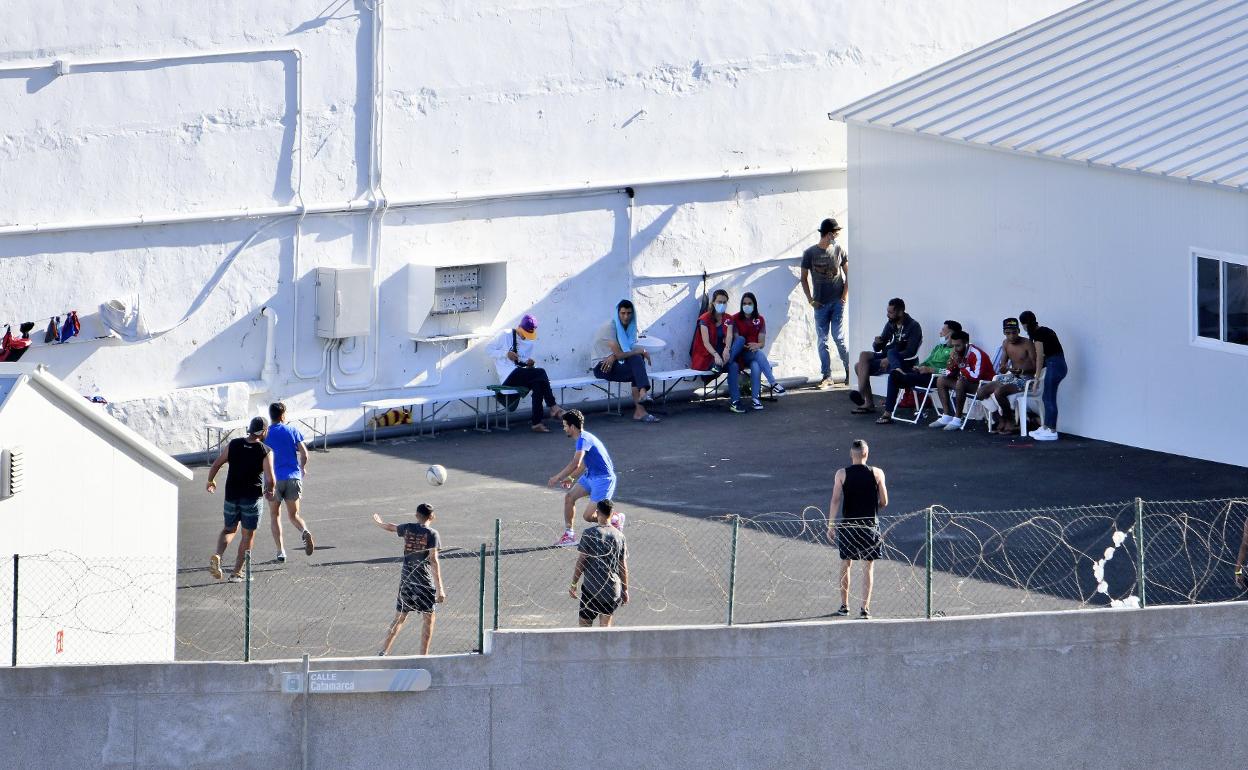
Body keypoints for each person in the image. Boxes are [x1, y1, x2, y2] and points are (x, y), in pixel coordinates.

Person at [206, 416, 276, 583]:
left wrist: (210, 481)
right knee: (247, 535)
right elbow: (270, 478)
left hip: (231, 496)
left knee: (229, 529)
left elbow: (216, 464)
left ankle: (218, 555)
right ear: (264, 431)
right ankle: (237, 572)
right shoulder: (265, 450)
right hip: (251, 498)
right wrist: (270, 491)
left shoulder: (234, 444)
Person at [372, 504, 445, 656]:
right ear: (432, 517)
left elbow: (392, 527)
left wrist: (379, 523)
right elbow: (433, 560)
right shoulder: (432, 534)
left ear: (416, 515)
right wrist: (440, 589)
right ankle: (423, 655)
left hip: (406, 581)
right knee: (428, 619)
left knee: (399, 618)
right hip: (424, 583)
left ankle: (384, 651)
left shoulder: (408, 528)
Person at [826, 440, 888, 619]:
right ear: (866, 454)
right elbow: (884, 501)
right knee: (868, 567)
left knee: (846, 564)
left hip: (849, 526)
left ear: (851, 454)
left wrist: (831, 525)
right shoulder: (877, 473)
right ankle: (864, 608)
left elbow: (835, 499)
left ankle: (844, 606)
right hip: (870, 525)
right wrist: (873, 507)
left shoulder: (841, 474)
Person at [547, 410, 617, 547]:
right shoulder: (582, 439)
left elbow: (576, 463)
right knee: (569, 497)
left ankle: (614, 518)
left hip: (603, 480)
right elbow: (584, 463)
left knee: (588, 517)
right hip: (590, 476)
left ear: (572, 427)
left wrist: (557, 477)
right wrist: (571, 478)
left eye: (565, 425)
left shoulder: (583, 439)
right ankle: (569, 535)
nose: (564, 428)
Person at [487, 313, 565, 433]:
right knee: (541, 373)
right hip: (508, 376)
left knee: (538, 385)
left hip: (520, 374)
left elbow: (522, 361)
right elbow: (488, 349)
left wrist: (529, 364)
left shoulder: (529, 343)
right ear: (519, 327)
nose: (526, 337)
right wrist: (505, 353)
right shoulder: (505, 335)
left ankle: (536, 423)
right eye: (525, 333)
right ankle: (553, 406)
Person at [877, 320, 960, 424]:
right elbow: (928, 361)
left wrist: (930, 370)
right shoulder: (939, 347)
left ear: (951, 334)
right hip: (920, 372)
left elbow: (950, 371)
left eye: (943, 330)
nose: (940, 333)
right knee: (892, 352)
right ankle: (898, 369)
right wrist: (918, 367)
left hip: (932, 378)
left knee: (893, 376)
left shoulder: (955, 351)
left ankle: (887, 414)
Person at [591, 300, 659, 423]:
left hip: (614, 362)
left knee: (637, 365)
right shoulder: (610, 327)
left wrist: (615, 356)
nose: (626, 317)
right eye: (623, 313)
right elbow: (622, 354)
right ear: (617, 313)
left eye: (629, 313)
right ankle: (641, 404)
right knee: (637, 363)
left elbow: (622, 352)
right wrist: (639, 351)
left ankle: (641, 406)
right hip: (602, 366)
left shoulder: (629, 327)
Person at [850, 298, 922, 414]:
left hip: (902, 362)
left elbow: (911, 352)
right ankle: (863, 396)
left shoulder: (913, 326)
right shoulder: (890, 324)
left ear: (900, 312)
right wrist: (877, 343)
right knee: (863, 356)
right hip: (886, 356)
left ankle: (865, 400)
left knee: (860, 367)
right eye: (887, 312)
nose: (887, 315)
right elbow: (878, 348)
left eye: (891, 312)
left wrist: (890, 358)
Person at [800, 218, 849, 388]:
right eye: (835, 232)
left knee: (838, 337)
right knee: (823, 340)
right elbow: (803, 278)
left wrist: (844, 297)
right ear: (828, 234)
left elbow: (849, 273)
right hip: (820, 304)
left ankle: (850, 371)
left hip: (836, 303)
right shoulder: (810, 253)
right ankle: (826, 376)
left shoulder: (839, 250)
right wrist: (810, 300)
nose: (836, 235)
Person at [263, 402, 315, 562]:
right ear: (283, 415)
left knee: (274, 515)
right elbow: (305, 454)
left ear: (270, 415)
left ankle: (281, 552)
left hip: (274, 480)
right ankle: (304, 531)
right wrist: (302, 468)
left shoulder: (266, 434)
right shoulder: (292, 430)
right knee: (294, 515)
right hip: (293, 477)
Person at [569, 499, 630, 627]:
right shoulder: (620, 536)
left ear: (597, 512)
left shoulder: (590, 534)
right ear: (612, 514)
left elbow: (582, 561)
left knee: (584, 624)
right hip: (612, 589)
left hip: (592, 587)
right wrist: (625, 590)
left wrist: (574, 583)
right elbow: (622, 566)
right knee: (605, 627)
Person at [976, 319, 1037, 434]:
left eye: (1014, 332)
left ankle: (1010, 420)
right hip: (1012, 377)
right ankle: (1000, 418)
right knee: (981, 392)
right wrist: (1003, 367)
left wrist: (1022, 370)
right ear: (1004, 333)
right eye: (1008, 333)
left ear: (1019, 331)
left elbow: (1037, 366)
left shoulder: (1027, 343)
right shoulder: (1005, 343)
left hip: (1027, 379)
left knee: (999, 392)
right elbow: (1003, 364)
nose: (1011, 336)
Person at [728, 291, 785, 410]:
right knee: (757, 353)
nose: (746, 306)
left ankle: (755, 399)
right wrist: (750, 346)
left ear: (754, 305)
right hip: (739, 355)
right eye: (744, 303)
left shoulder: (760, 319)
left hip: (752, 354)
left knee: (755, 364)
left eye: (749, 303)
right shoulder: (735, 318)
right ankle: (773, 383)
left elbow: (762, 343)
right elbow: (736, 340)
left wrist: (756, 345)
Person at [691, 289, 743, 413]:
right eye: (719, 301)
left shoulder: (728, 318)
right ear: (713, 302)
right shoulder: (704, 319)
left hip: (723, 358)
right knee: (734, 365)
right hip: (708, 357)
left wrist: (727, 349)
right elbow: (706, 342)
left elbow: (729, 336)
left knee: (740, 341)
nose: (722, 304)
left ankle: (735, 402)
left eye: (725, 302)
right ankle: (735, 401)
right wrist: (716, 355)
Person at [930, 330, 994, 430]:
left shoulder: (976, 354)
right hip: (967, 384)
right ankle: (946, 416)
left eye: (958, 346)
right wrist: (951, 365)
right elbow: (949, 373)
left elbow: (975, 376)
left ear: (966, 343)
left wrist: (960, 363)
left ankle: (957, 419)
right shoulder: (956, 352)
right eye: (953, 345)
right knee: (941, 380)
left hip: (983, 385)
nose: (955, 348)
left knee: (961, 382)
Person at [1020, 310, 1067, 442]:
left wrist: (1036, 378)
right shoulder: (1046, 330)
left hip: (1055, 365)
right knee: (1047, 397)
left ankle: (1052, 430)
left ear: (1024, 324)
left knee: (1049, 398)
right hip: (1059, 364)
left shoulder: (1038, 335)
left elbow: (1040, 357)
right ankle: (1046, 427)